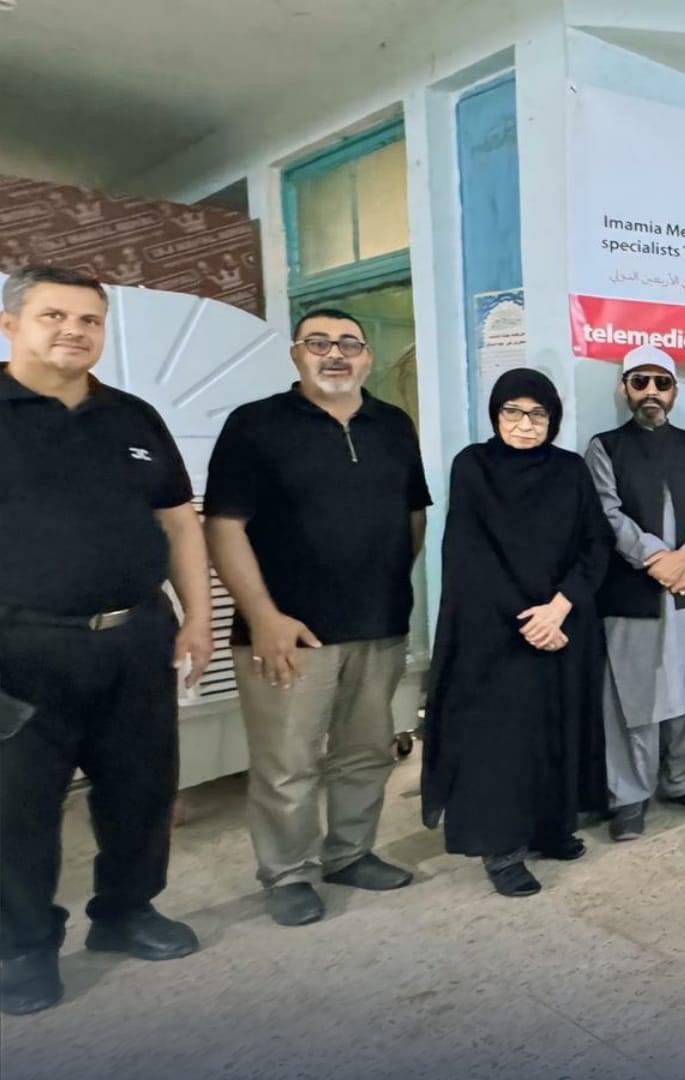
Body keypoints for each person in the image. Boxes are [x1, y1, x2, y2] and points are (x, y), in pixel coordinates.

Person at [0, 266, 212, 1015]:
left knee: (141, 789)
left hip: (135, 638)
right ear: (10, 325)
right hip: (21, 648)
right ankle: (23, 946)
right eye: (53, 316)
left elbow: (179, 521)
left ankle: (125, 912)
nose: (74, 331)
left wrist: (198, 617)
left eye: (89, 320)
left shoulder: (132, 417)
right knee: (17, 808)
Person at [204, 307, 430, 927]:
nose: (335, 354)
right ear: (296, 354)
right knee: (287, 763)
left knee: (366, 752)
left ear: (368, 357)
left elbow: (413, 516)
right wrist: (263, 615)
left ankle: (350, 853)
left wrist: (383, 585)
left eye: (349, 344)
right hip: (289, 633)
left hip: (380, 625)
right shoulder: (255, 425)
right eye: (319, 342)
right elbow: (223, 527)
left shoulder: (393, 424)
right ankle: (289, 873)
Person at [421, 370, 612, 896]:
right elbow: (470, 553)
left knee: (556, 729)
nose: (525, 424)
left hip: (563, 622)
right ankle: (502, 848)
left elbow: (595, 543)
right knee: (501, 741)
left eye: (538, 414)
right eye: (513, 412)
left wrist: (561, 607)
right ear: (496, 414)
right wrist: (529, 619)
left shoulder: (570, 470)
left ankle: (551, 827)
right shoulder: (473, 466)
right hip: (496, 631)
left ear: (553, 419)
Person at [586, 345, 685, 840]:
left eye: (661, 383)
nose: (651, 392)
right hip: (634, 593)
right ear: (624, 388)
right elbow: (607, 512)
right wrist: (657, 560)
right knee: (634, 697)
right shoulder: (604, 447)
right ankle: (629, 796)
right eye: (640, 382)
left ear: (674, 391)